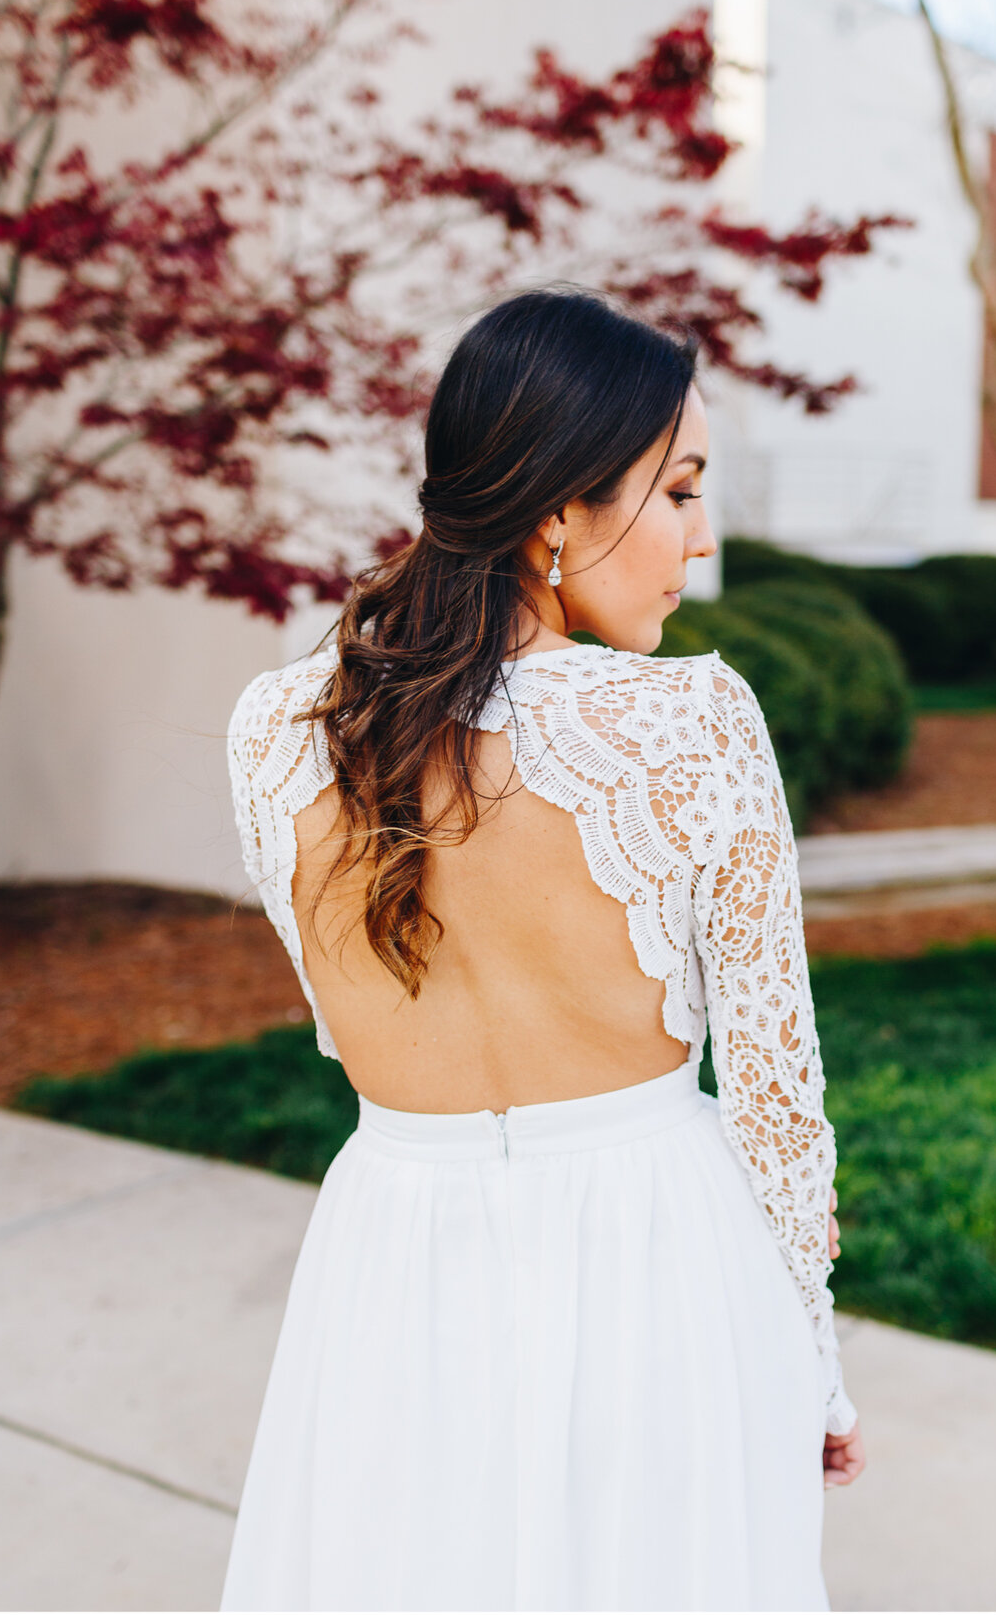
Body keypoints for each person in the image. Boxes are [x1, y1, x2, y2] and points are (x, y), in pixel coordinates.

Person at [220, 285, 864, 1611]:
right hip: (660, 1259)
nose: (699, 539)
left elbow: (345, 1030)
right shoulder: (694, 722)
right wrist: (814, 1360)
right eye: (678, 491)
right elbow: (778, 1103)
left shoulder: (273, 730)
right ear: (555, 512)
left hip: (391, 1261)